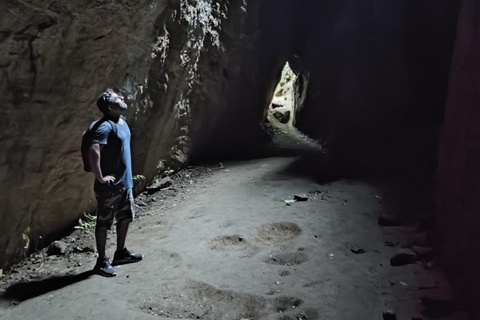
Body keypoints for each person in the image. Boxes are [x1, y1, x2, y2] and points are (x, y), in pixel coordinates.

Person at [88, 88, 142, 277]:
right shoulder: (105, 126)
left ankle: (120, 253)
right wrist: (100, 177)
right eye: (116, 98)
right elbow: (94, 150)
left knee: (125, 217)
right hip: (109, 188)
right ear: (110, 106)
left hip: (124, 183)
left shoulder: (122, 123)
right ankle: (101, 261)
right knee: (104, 222)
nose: (121, 97)